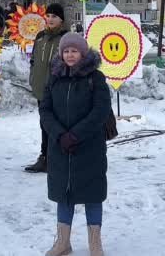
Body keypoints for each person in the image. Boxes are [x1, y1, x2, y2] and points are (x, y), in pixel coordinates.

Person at [40, 32, 111, 256]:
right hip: (60, 148)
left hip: (89, 148)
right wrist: (60, 135)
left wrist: (76, 135)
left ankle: (95, 244)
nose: (70, 55)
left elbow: (101, 111)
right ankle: (63, 242)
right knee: (64, 194)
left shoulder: (96, 78)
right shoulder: (54, 77)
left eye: (74, 51)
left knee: (92, 195)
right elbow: (45, 110)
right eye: (66, 51)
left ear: (83, 52)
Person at [25, 3, 69, 173]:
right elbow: (34, 60)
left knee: (55, 125)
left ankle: (55, 157)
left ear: (61, 20)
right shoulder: (40, 37)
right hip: (40, 89)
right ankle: (45, 157)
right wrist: (32, 78)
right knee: (44, 123)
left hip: (58, 90)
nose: (50, 19)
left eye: (54, 16)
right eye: (48, 15)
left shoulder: (66, 38)